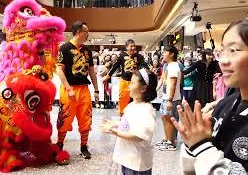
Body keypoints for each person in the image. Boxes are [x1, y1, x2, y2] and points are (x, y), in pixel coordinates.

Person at [172, 19, 248, 174]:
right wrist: (193, 142)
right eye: (222, 52)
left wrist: (200, 146)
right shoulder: (225, 105)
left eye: (233, 50)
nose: (223, 61)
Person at [100, 68, 157, 175]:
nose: (128, 86)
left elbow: (139, 136)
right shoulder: (132, 105)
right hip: (128, 158)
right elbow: (130, 123)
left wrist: (115, 132)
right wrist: (116, 124)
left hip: (137, 163)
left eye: (132, 83)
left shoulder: (146, 110)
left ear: (143, 88)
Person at [56, 21, 99, 159]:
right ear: (78, 32)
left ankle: (84, 146)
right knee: (65, 118)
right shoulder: (64, 48)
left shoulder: (87, 51)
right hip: (69, 89)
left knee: (86, 119)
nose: (87, 34)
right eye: (86, 31)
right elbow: (60, 70)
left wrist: (96, 90)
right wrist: (68, 89)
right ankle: (59, 144)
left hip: (84, 89)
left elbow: (91, 71)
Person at [102, 39, 148, 116]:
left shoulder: (139, 57)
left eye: (134, 46)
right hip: (124, 82)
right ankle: (122, 116)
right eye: (131, 46)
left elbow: (145, 67)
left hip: (135, 82)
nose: (133, 48)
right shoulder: (122, 56)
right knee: (122, 99)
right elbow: (115, 66)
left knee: (135, 100)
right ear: (127, 47)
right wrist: (107, 76)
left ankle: (134, 116)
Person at [156, 45, 182, 151]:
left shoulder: (175, 66)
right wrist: (155, 92)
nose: (163, 54)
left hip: (172, 99)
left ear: (172, 54)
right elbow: (162, 80)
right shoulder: (168, 66)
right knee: (164, 118)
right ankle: (167, 139)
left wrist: (170, 100)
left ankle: (171, 143)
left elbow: (173, 84)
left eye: (165, 52)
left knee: (170, 120)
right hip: (166, 97)